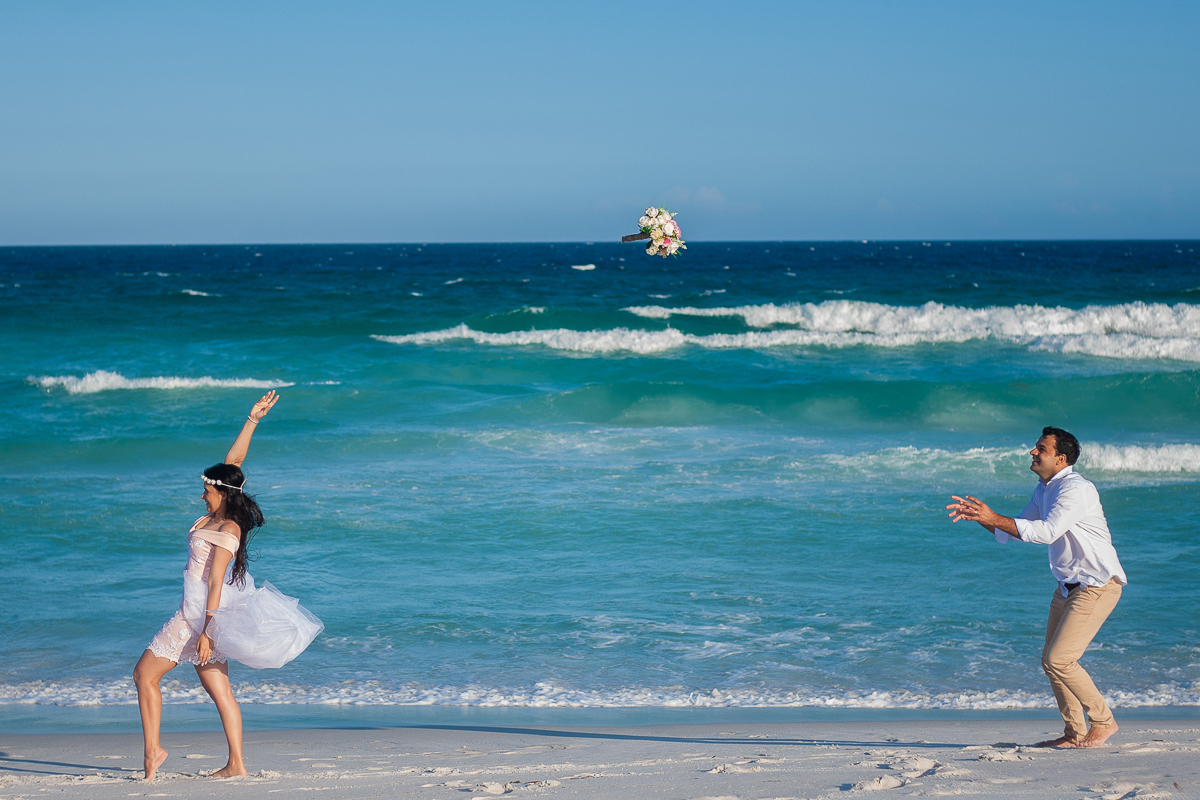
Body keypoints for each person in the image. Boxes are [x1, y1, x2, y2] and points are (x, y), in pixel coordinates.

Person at [134, 391, 323, 780]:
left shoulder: (227, 527)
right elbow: (233, 463)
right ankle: (236, 764)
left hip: (197, 618)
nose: (201, 494)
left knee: (144, 676)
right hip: (202, 616)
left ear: (221, 493)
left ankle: (154, 752)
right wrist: (252, 420)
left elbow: (217, 580)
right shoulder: (223, 502)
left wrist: (205, 632)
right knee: (219, 691)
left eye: (206, 490)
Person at [946, 426, 1127, 749]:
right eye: (1035, 446)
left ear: (1060, 459)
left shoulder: (1076, 489)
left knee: (1060, 659)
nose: (1032, 452)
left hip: (1096, 585)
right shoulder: (1043, 490)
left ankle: (1103, 721)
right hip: (1066, 588)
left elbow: (1046, 532)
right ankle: (1074, 733)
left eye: (1040, 448)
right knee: (1050, 661)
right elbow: (1014, 530)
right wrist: (983, 518)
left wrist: (995, 517)